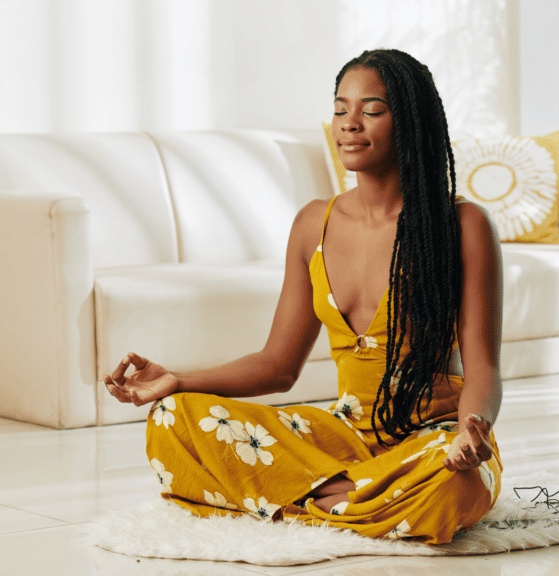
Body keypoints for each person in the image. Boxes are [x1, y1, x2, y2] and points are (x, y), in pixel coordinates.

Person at [103, 48, 504, 545]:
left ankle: (311, 497)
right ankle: (358, 501)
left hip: (431, 440)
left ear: (412, 121)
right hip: (342, 437)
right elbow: (278, 365)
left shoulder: (463, 226)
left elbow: (483, 364)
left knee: (455, 486)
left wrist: (472, 428)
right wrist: (178, 380)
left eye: (372, 110)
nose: (349, 125)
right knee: (172, 419)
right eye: (340, 110)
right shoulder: (313, 223)